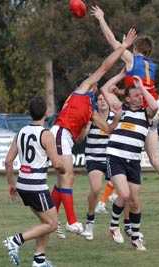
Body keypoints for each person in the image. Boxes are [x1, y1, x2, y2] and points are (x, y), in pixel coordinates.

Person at [92, 5, 159, 212]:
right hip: (156, 103)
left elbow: (113, 43)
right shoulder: (151, 65)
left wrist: (101, 18)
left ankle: (115, 203)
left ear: (135, 49)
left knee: (131, 150)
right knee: (155, 157)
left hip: (142, 111)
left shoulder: (131, 58)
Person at [49, 28, 137, 237]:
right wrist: (123, 47)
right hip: (60, 133)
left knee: (63, 180)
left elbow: (107, 129)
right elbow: (105, 66)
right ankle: (71, 222)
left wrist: (117, 115)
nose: (96, 83)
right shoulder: (83, 89)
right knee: (67, 176)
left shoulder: (91, 111)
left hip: (65, 137)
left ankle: (53, 220)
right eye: (95, 82)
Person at [3, 96, 65, 267]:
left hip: (23, 185)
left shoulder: (21, 131)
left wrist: (11, 184)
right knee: (52, 224)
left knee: (45, 222)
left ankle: (39, 259)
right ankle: (15, 240)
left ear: (30, 113)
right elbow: (57, 163)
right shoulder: (46, 134)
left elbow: (8, 161)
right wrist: (65, 168)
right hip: (36, 186)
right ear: (46, 112)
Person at [102, 75, 158, 251]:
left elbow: (155, 106)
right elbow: (105, 88)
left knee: (134, 202)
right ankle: (113, 226)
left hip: (133, 161)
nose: (140, 98)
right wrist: (121, 73)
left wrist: (142, 87)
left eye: (141, 95)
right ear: (127, 98)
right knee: (125, 195)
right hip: (115, 157)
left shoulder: (146, 114)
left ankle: (135, 237)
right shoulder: (120, 109)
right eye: (136, 95)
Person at [80, 93, 116, 240]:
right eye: (99, 99)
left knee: (127, 193)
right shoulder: (90, 116)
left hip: (110, 157)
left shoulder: (115, 117)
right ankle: (90, 221)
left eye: (104, 99)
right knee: (95, 189)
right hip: (93, 157)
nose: (101, 101)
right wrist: (87, 126)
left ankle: (120, 227)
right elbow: (80, 138)